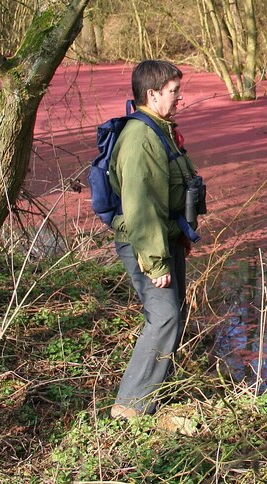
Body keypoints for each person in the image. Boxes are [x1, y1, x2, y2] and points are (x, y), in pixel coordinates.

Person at [109, 59, 200, 419]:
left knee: (173, 313)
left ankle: (160, 395)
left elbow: (171, 192)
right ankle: (130, 407)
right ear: (152, 94)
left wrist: (181, 235)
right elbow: (141, 206)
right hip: (146, 245)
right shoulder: (140, 138)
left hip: (166, 239)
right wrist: (156, 261)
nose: (179, 97)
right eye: (174, 91)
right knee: (163, 318)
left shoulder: (160, 129)